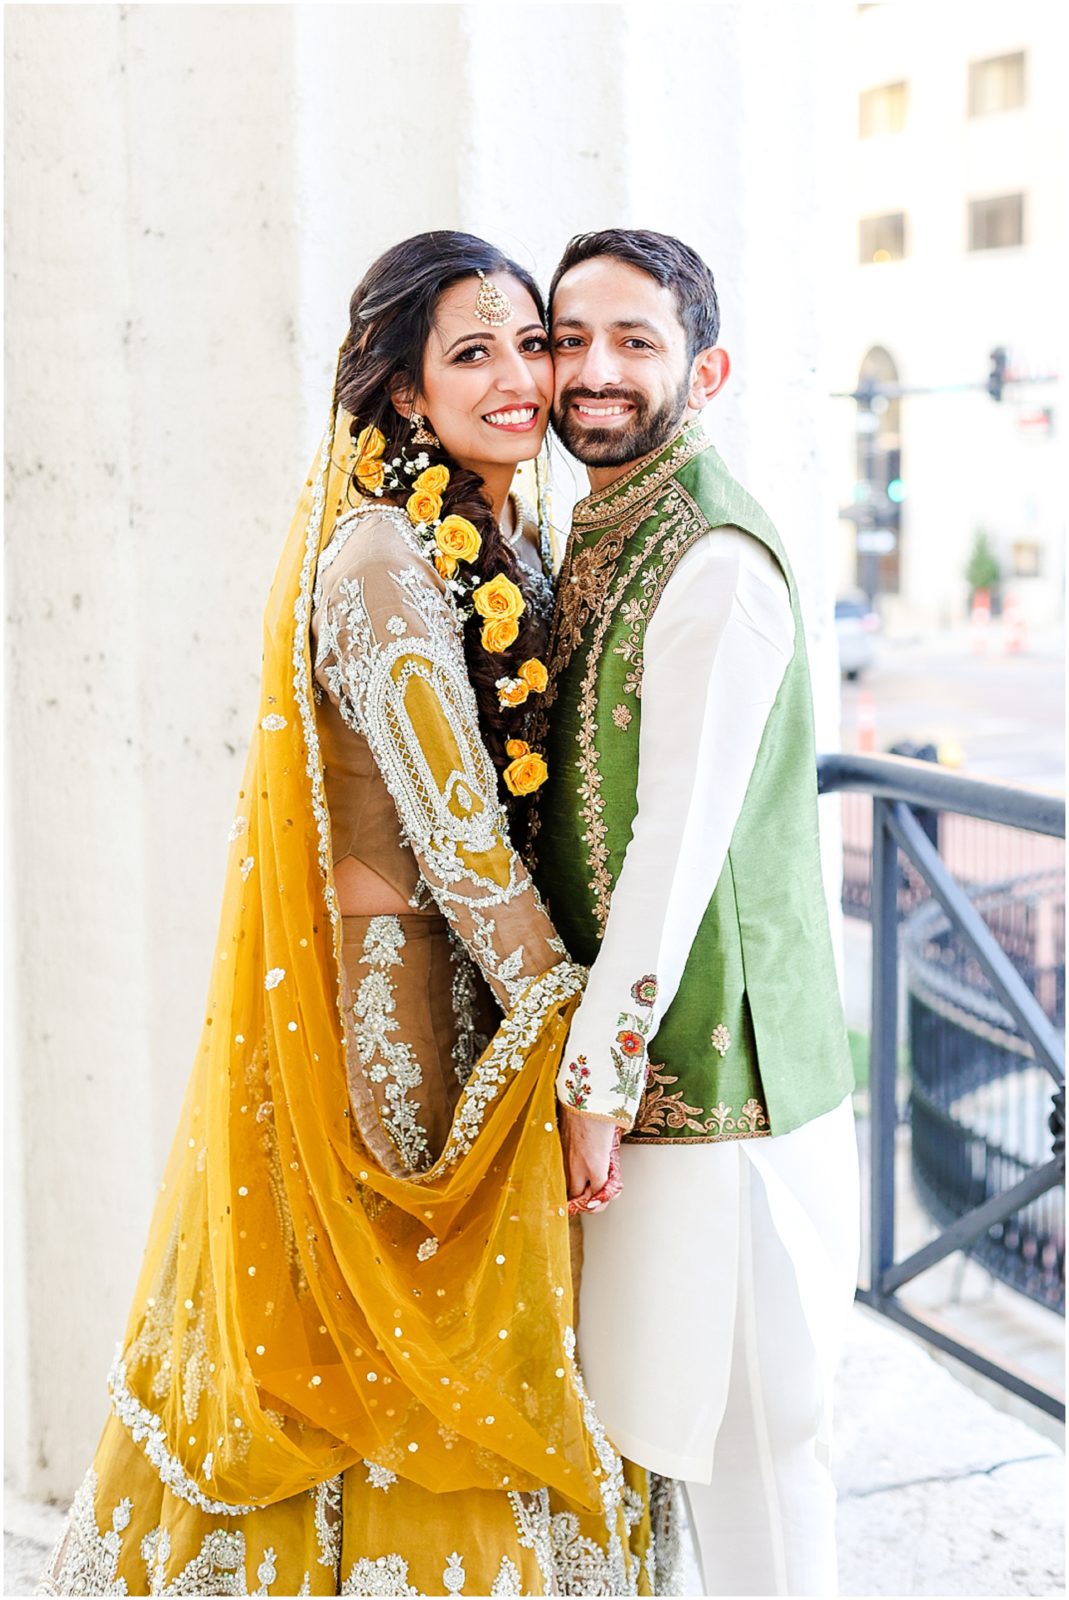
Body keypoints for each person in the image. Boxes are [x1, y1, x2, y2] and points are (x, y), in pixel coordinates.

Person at [38, 233, 683, 1598]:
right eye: (473, 353)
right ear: (402, 392)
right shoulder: (383, 558)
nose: (522, 379)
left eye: (531, 344)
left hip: (474, 988)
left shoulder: (502, 530)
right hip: (400, 1019)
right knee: (382, 1343)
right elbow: (457, 844)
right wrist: (580, 1038)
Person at [526, 229, 862, 1597]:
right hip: (650, 1063)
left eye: (634, 342)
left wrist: (595, 1075)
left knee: (752, 1434)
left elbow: (677, 840)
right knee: (672, 1424)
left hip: (715, 1075)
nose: (591, 371)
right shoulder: (609, 524)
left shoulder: (711, 557)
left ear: (702, 370)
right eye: (569, 338)